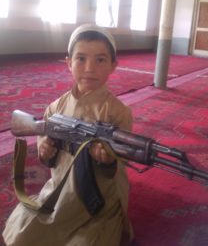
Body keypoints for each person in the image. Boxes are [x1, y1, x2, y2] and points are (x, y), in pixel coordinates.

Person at [3, 24, 133, 246]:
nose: (89, 68)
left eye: (100, 60)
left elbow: (121, 163)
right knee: (22, 234)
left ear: (113, 65)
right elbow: (46, 155)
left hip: (99, 200)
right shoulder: (55, 107)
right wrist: (45, 150)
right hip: (59, 191)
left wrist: (108, 160)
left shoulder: (118, 112)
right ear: (68, 63)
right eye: (80, 58)